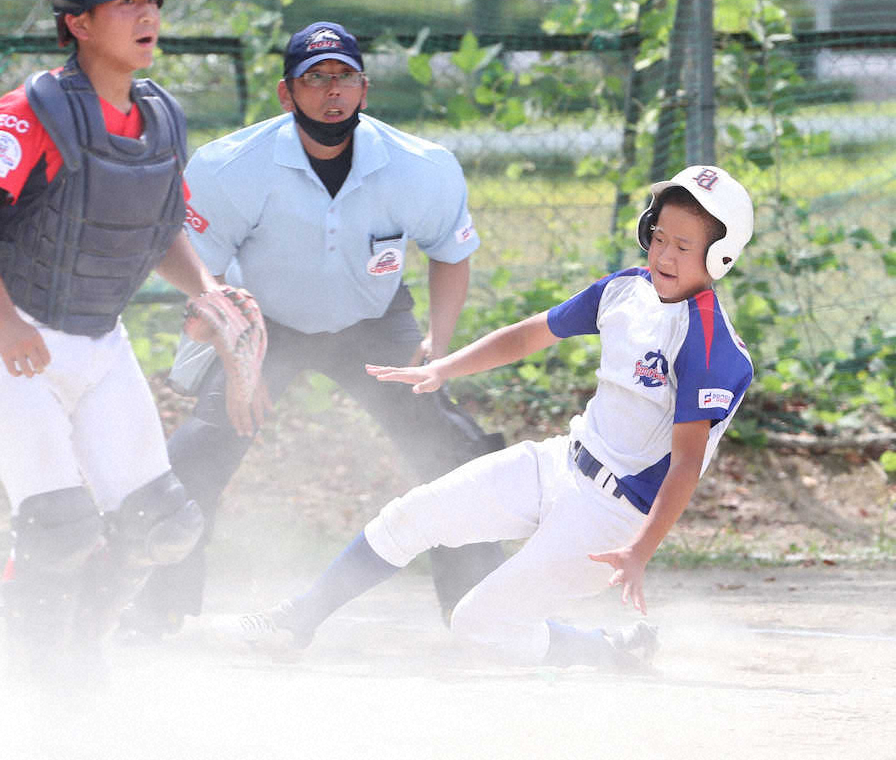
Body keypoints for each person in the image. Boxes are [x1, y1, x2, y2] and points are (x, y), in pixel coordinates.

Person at [239, 165, 755, 670]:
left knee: (478, 625)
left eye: (683, 247)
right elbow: (529, 334)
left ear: (719, 256)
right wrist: (445, 367)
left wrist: (639, 551)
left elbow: (686, 464)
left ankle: (607, 651)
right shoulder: (626, 289)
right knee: (409, 516)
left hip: (614, 517)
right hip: (563, 461)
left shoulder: (709, 345)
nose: (663, 253)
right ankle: (298, 620)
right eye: (658, 236)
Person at [126, 20, 506, 638]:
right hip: (263, 325)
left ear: (364, 88)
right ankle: (159, 611)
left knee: (451, 453)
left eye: (345, 77)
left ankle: (477, 617)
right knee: (198, 452)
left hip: (374, 324)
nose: (332, 91)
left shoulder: (421, 167)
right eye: (316, 78)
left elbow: (450, 251)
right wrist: (238, 356)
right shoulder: (230, 167)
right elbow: (200, 275)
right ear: (286, 93)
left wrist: (438, 344)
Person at [0, 0, 261, 683]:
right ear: (77, 24)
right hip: (9, 334)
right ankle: (36, 663)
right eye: (124, 5)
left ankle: (81, 642)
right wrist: (5, 321)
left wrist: (206, 287)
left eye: (152, 0)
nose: (146, 15)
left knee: (165, 524)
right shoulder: (34, 111)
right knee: (60, 527)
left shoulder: (159, 116)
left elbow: (159, 226)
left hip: (98, 338)